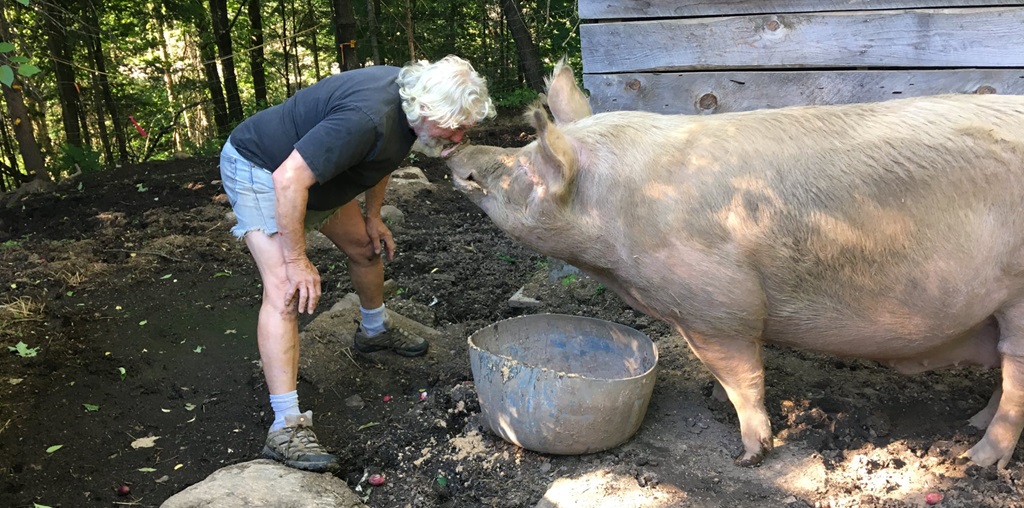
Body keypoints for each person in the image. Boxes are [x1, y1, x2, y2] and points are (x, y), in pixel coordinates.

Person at [219, 55, 495, 472]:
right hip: (263, 167)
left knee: (367, 248)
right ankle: (285, 426)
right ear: (424, 110)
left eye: (465, 129)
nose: (457, 138)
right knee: (285, 291)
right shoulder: (368, 117)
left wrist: (373, 215)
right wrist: (296, 259)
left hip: (316, 176)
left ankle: (373, 331)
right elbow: (288, 179)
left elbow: (379, 159)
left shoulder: (407, 108)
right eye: (452, 127)